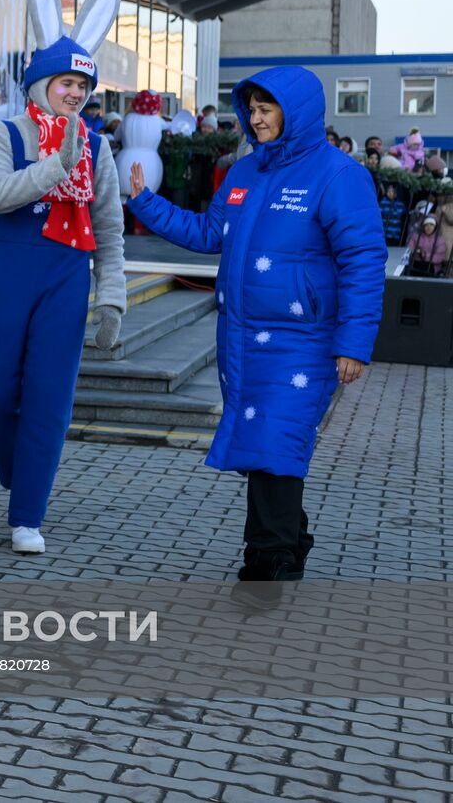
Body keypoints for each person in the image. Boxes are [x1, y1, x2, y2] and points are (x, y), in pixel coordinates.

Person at [127, 66, 385, 588]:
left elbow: (363, 261)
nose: (256, 119)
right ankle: (290, 537)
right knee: (268, 443)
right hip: (244, 335)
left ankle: (269, 559)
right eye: (253, 110)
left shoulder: (339, 175)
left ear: (298, 113)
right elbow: (207, 233)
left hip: (304, 340)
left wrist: (353, 344)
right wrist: (146, 203)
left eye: (267, 110)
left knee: (273, 438)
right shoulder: (246, 172)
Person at [0, 0, 126, 557]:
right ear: (40, 84)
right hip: (6, 277)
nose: (76, 95)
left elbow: (109, 227)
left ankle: (28, 510)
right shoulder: (1, 132)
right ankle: (22, 473)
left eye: (83, 88)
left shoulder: (98, 146)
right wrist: (54, 166)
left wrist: (112, 295)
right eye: (66, 84)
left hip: (66, 274)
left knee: (49, 396)